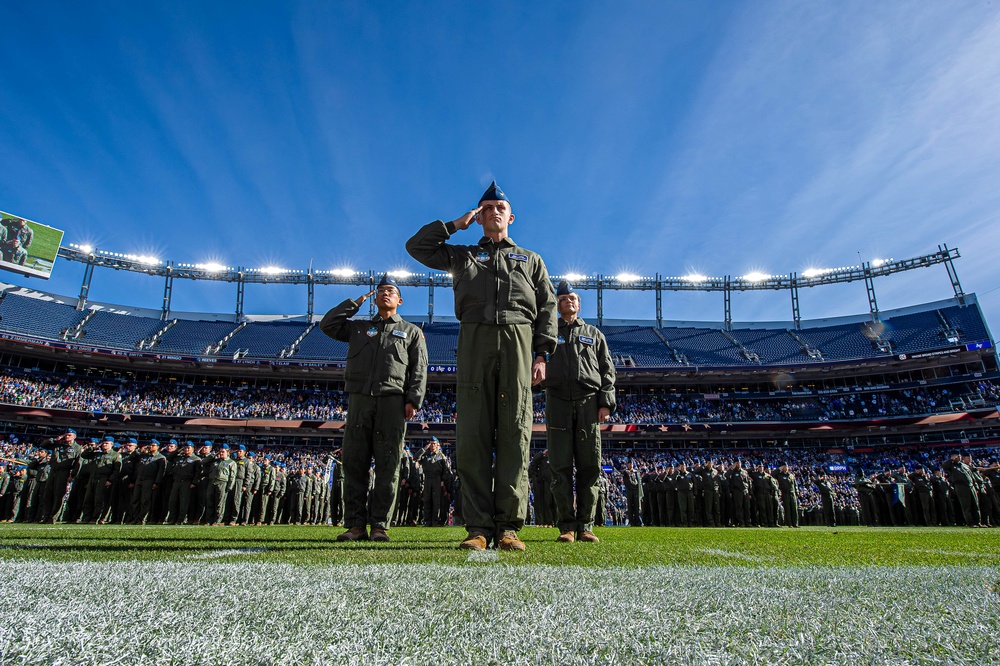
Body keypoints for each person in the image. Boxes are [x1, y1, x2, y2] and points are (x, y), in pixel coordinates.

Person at [406, 181, 557, 551]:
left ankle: (508, 527)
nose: (493, 212)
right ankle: (477, 527)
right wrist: (456, 225)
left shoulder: (531, 259)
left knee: (514, 434)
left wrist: (542, 353)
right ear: (479, 215)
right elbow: (417, 247)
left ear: (510, 216)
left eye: (499, 207)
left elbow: (548, 306)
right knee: (472, 436)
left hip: (519, 341)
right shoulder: (463, 256)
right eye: (485, 207)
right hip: (474, 340)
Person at [320, 274, 428, 542]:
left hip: (392, 401)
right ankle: (355, 525)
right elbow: (327, 325)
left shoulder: (412, 332)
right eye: (380, 290)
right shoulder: (358, 328)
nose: (385, 293)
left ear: (400, 300)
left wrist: (413, 399)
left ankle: (379, 524)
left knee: (388, 465)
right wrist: (354, 303)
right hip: (360, 399)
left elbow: (419, 368)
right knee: (354, 463)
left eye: (390, 290)